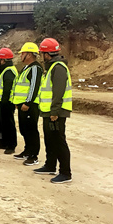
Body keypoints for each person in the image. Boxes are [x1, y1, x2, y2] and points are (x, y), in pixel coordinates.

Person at [34, 38, 73, 184]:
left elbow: (59, 91)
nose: (41, 56)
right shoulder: (51, 68)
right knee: (50, 139)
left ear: (47, 54)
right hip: (48, 111)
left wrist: (55, 111)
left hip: (56, 112)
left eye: (42, 53)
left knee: (58, 140)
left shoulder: (58, 68)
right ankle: (50, 165)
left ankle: (65, 173)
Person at [11, 42, 43, 164]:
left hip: (30, 105)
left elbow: (34, 87)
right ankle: (27, 151)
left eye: (22, 53)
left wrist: (28, 102)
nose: (21, 55)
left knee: (31, 129)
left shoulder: (35, 68)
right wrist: (17, 101)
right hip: (22, 104)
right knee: (24, 129)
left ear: (29, 54)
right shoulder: (26, 68)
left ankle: (33, 155)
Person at [0, 48, 18, 154]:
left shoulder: (9, 71)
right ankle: (4, 142)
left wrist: (4, 102)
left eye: (0, 60)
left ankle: (11, 145)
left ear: (3, 60)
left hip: (7, 102)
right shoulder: (5, 70)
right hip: (3, 102)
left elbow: (7, 88)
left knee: (9, 124)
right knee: (3, 124)